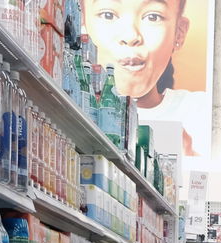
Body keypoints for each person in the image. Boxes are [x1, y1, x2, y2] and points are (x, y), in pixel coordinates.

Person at [84, 0, 211, 156]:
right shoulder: (74, 102)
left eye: (153, 17)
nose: (131, 36)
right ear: (82, 23)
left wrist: (189, 157)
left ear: (179, 32)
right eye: (108, 15)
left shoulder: (202, 113)